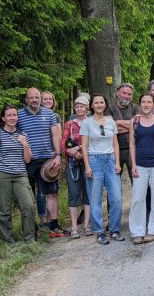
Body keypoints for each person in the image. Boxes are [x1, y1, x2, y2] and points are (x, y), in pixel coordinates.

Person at [18, 88, 68, 237]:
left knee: (52, 193)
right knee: (29, 197)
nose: (34, 100)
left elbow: (55, 135)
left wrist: (58, 155)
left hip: (48, 161)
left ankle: (54, 226)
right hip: (27, 161)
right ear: (26, 99)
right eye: (31, 97)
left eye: (37, 97)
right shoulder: (19, 115)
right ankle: (32, 229)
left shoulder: (49, 114)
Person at [0, 104, 36, 243]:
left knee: (29, 206)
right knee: (3, 210)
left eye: (14, 115)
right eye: (9, 115)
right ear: (3, 117)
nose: (12, 117)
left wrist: (24, 144)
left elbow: (28, 159)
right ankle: (8, 242)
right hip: (2, 175)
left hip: (20, 174)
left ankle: (29, 239)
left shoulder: (22, 134)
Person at [80, 94, 125, 245]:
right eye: (96, 103)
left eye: (101, 102)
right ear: (92, 106)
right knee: (95, 199)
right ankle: (99, 231)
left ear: (105, 105)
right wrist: (87, 166)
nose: (99, 105)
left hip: (111, 160)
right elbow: (84, 146)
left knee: (116, 198)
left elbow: (116, 144)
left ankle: (114, 229)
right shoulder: (87, 123)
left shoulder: (111, 121)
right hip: (94, 160)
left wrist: (117, 162)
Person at [128, 94, 154, 245]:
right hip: (140, 164)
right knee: (138, 198)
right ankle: (137, 231)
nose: (146, 104)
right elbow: (132, 143)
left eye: (149, 102)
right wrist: (133, 164)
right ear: (140, 104)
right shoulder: (134, 122)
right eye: (143, 102)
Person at [62, 96, 91, 239]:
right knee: (74, 193)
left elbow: (93, 140)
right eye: (77, 106)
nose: (79, 109)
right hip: (73, 162)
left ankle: (87, 225)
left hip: (88, 161)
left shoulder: (91, 122)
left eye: (82, 106)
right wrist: (70, 151)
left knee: (88, 192)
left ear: (87, 108)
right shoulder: (70, 124)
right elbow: (64, 141)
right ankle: (74, 227)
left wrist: (80, 149)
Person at [105, 83, 141, 182]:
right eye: (124, 93)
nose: (126, 96)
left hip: (132, 150)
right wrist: (131, 125)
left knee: (136, 181)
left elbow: (138, 125)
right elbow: (109, 128)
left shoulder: (135, 108)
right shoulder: (109, 109)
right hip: (114, 150)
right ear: (117, 93)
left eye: (129, 94)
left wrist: (116, 123)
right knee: (113, 183)